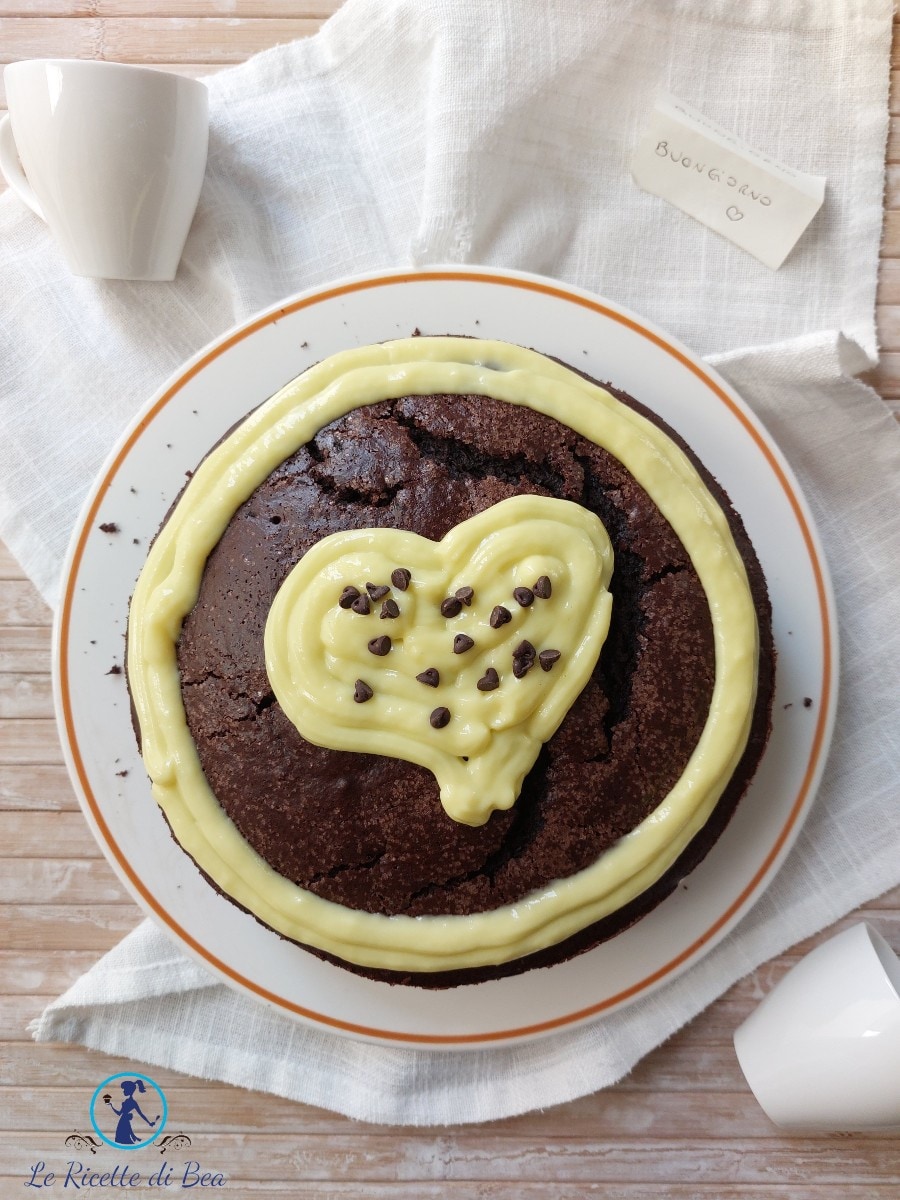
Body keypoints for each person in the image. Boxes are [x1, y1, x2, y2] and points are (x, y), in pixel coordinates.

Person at [106, 1079, 157, 1145]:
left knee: (124, 1140)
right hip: (122, 1121)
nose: (123, 1091)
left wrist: (149, 1122)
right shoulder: (127, 1101)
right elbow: (119, 1113)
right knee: (122, 1139)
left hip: (124, 1121)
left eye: (124, 1089)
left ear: (129, 1090)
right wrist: (111, 1106)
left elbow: (141, 1114)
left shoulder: (133, 1102)